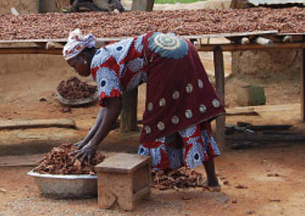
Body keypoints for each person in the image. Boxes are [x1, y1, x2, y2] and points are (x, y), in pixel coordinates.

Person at [63, 29, 223, 191]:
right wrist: (86, 141)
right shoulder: (105, 54)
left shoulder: (99, 64)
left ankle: (144, 184)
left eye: (74, 66)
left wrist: (93, 145)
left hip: (165, 59)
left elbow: (114, 108)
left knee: (155, 122)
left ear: (83, 57)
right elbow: (106, 108)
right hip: (182, 47)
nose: (76, 71)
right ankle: (212, 180)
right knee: (190, 113)